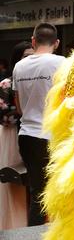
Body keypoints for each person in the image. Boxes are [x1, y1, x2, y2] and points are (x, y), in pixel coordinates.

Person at [13, 23, 65, 226]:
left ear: (33, 41)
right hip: (54, 136)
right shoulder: (62, 63)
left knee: (36, 193)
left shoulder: (19, 66)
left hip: (27, 135)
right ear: (57, 43)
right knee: (60, 191)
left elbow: (19, 108)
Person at [0, 41, 33, 229]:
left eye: (33, 55)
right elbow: (3, 117)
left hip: (33, 134)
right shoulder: (6, 84)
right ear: (17, 60)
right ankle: (15, 226)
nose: (30, 60)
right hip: (12, 136)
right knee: (14, 183)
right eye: (26, 56)